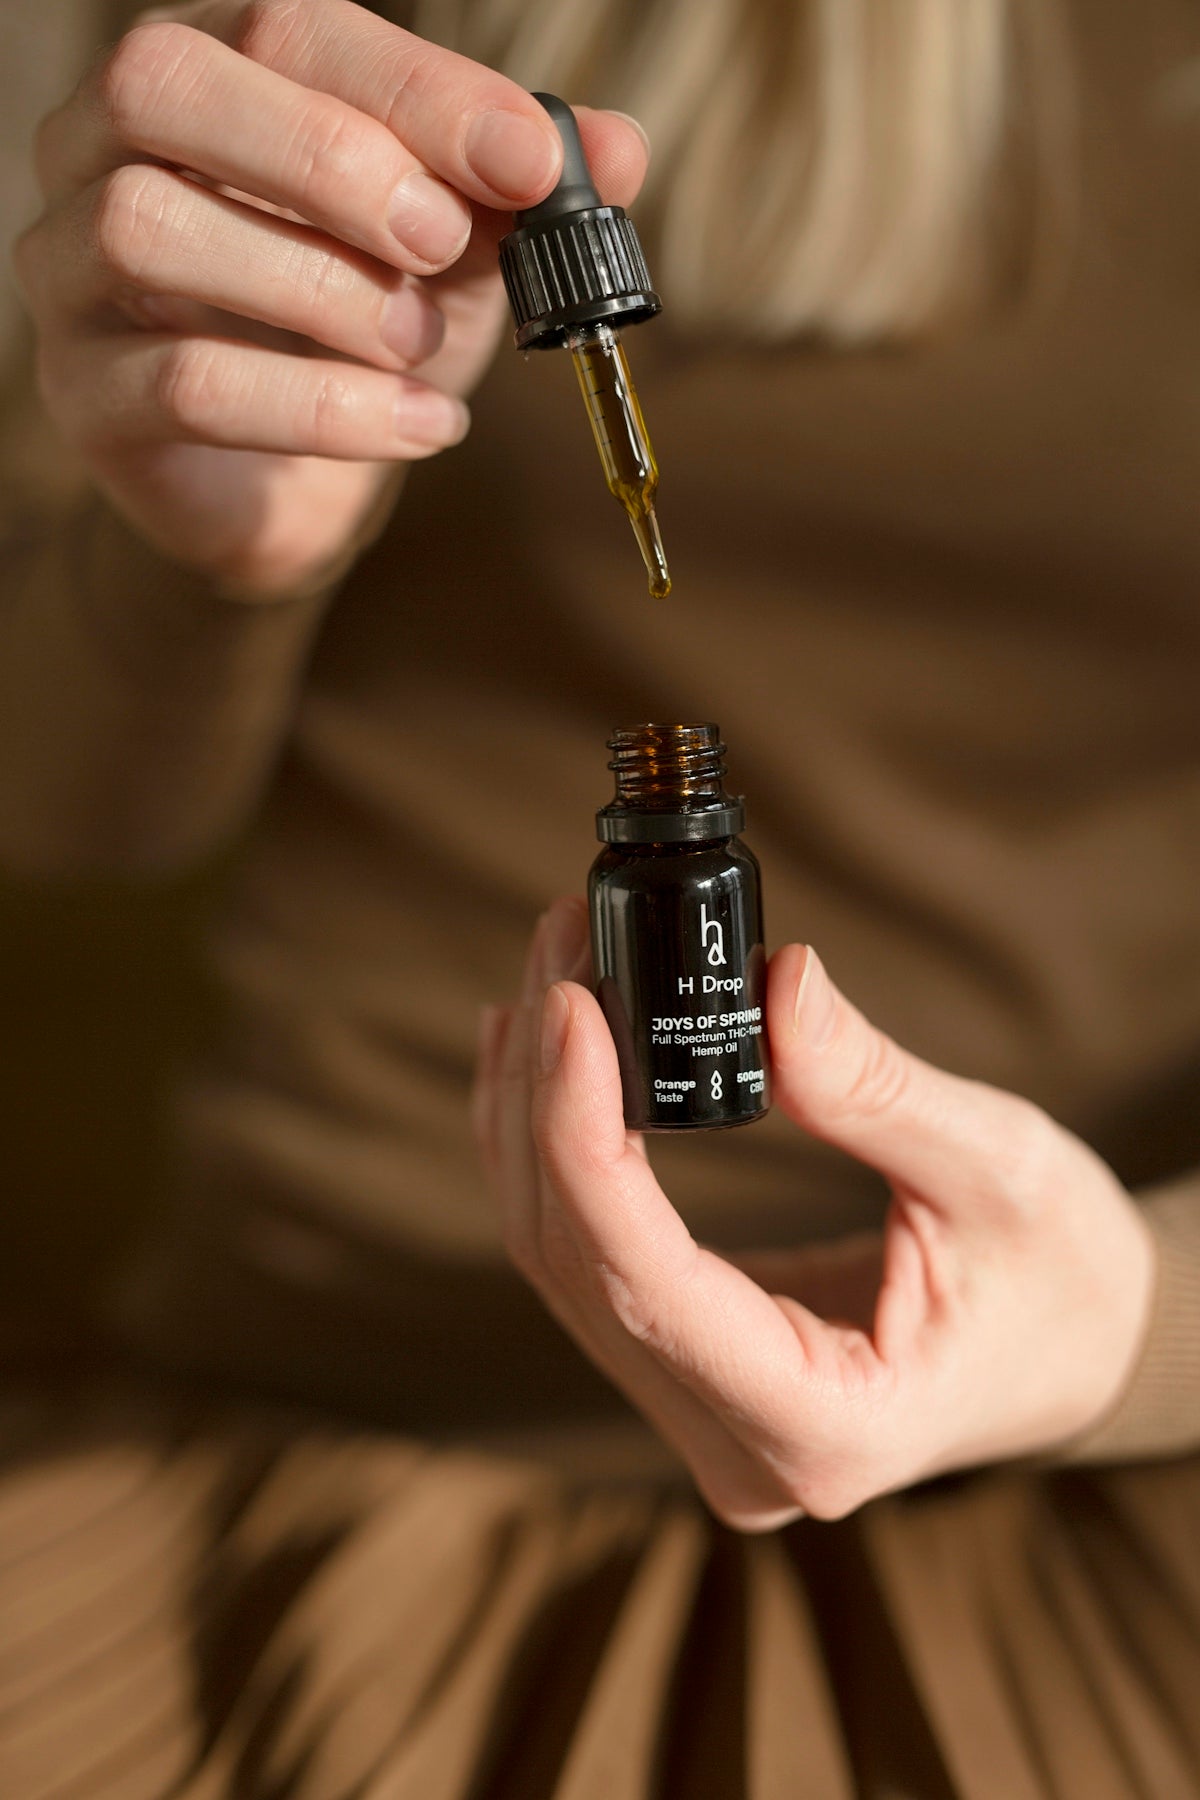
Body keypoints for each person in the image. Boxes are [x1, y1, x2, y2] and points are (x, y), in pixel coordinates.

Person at [2, 0, 1199, 1793]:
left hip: (1104, 1487)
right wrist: (194, 559)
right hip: (312, 1448)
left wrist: (1138, 1319)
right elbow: (56, 813)